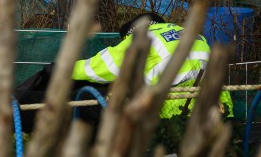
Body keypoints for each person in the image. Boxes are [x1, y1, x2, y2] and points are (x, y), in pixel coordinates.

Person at [67, 12, 232, 120]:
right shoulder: (188, 32)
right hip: (218, 104)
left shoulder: (140, 36)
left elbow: (104, 66)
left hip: (174, 108)